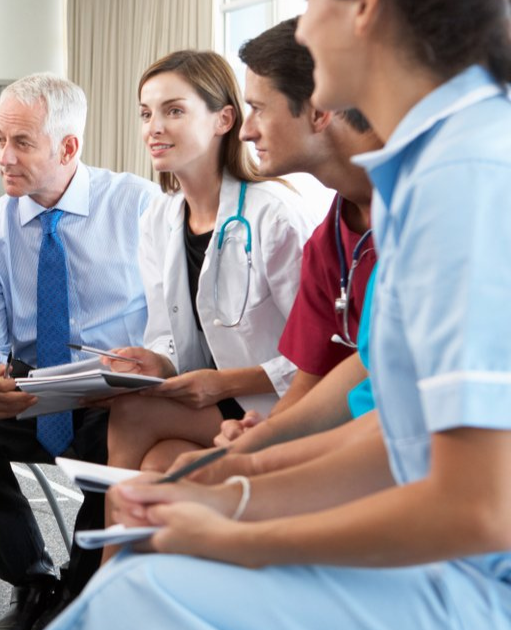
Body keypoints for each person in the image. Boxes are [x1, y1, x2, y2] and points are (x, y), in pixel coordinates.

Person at [45, 0, 511, 627]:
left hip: (479, 578)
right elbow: (402, 433)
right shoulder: (429, 172)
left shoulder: (466, 178)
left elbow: (481, 508)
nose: (302, 22)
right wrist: (240, 483)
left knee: (139, 592)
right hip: (455, 550)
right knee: (142, 567)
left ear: (363, 12)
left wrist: (234, 534)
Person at [0, 73, 160, 630]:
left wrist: (142, 369)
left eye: (22, 142)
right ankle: (33, 580)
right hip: (36, 394)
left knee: (112, 450)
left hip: (118, 394)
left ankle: (79, 596)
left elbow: (172, 315)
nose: (4, 157)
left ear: (68, 147)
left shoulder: (138, 206)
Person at [165, 18, 386, 483]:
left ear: (319, 109)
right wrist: (262, 437)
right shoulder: (333, 237)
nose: (245, 131)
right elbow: (317, 371)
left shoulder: (418, 205)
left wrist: (260, 457)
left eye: (258, 109)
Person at [88, 50, 310, 477]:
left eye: (173, 111)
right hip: (210, 401)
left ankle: (109, 542)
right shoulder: (159, 219)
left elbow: (320, 355)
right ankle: (120, 540)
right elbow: (166, 336)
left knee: (134, 413)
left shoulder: (273, 216)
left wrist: (225, 382)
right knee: (159, 464)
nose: (154, 128)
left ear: (223, 120)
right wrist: (157, 364)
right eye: (145, 113)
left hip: (278, 405)